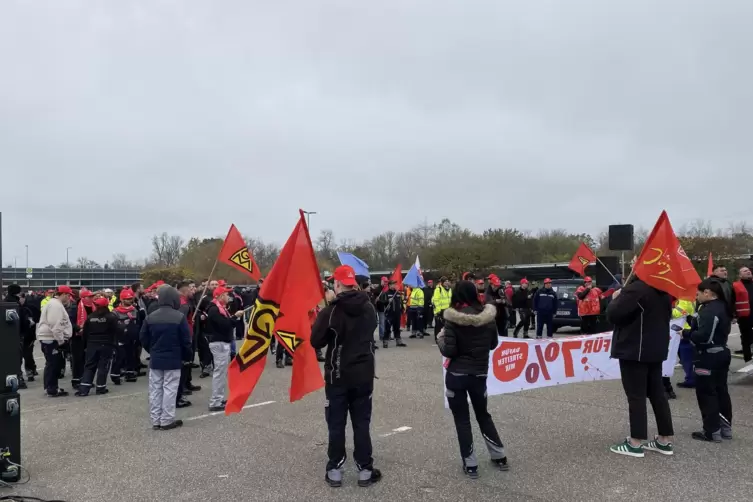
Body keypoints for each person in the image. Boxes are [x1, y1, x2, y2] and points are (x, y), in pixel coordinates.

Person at [310, 265, 381, 488]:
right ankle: (365, 469)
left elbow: (315, 341)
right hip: (363, 374)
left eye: (334, 283)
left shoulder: (331, 311)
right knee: (361, 422)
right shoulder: (368, 306)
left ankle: (335, 468)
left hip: (338, 376)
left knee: (336, 422)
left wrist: (328, 307)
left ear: (338, 285)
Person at [438, 280, 508, 478]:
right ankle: (499, 456)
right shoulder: (488, 318)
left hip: (457, 375)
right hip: (479, 374)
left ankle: (470, 465)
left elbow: (449, 350)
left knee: (462, 420)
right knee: (483, 415)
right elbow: (493, 343)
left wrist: (440, 339)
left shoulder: (452, 319)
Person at [607, 277, 674, 457]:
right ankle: (664, 439)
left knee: (636, 396)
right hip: (655, 350)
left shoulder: (635, 289)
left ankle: (635, 442)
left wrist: (615, 298)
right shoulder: (663, 290)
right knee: (658, 394)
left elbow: (613, 315)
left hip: (634, 349)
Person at [140, 285, 193, 431]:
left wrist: (152, 350)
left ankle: (155, 420)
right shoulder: (179, 317)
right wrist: (187, 356)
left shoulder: (150, 317)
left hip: (156, 358)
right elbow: (186, 340)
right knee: (170, 389)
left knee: (155, 389)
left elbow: (143, 337)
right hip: (174, 358)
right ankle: (167, 420)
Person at [687, 278, 733, 442]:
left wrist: (687, 334)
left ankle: (711, 431)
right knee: (721, 391)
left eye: (698, 293)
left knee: (707, 392)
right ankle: (725, 429)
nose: (697, 296)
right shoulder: (723, 307)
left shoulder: (709, 310)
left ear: (707, 293)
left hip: (708, 355)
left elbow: (704, 337)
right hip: (722, 353)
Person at [203, 285, 243, 412]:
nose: (229, 297)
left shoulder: (220, 309)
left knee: (221, 372)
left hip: (222, 342)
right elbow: (225, 325)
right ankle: (215, 401)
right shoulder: (214, 310)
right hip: (218, 343)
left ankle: (219, 398)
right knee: (219, 373)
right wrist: (235, 317)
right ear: (220, 296)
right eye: (226, 294)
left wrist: (234, 318)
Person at [36, 285, 75, 397]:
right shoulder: (55, 305)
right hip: (51, 338)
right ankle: (51, 389)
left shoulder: (54, 304)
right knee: (53, 364)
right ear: (62, 294)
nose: (68, 298)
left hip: (50, 337)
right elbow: (55, 325)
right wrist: (61, 341)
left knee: (51, 364)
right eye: (67, 295)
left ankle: (50, 387)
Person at [76, 297, 118, 396]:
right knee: (103, 366)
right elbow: (115, 332)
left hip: (92, 344)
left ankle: (84, 389)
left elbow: (85, 333)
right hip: (106, 344)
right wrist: (114, 345)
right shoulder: (111, 317)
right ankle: (101, 388)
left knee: (89, 366)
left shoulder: (90, 317)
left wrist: (86, 345)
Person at [111, 288, 140, 384]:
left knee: (131, 355)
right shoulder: (115, 312)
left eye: (131, 298)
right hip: (120, 337)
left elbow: (137, 322)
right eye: (127, 299)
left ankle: (130, 373)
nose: (130, 300)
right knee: (120, 356)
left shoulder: (134, 310)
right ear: (122, 300)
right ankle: (115, 375)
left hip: (131, 337)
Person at [673, 299, 696, 389]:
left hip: (684, 330)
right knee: (687, 358)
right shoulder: (691, 297)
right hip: (688, 329)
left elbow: (678, 313)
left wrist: (666, 310)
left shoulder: (684, 299)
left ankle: (691, 379)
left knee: (686, 358)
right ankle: (691, 378)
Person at [732, 267, 752, 361]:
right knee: (745, 337)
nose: (748, 271)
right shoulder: (736, 285)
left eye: (748, 270)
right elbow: (732, 301)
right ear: (740, 275)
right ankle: (747, 357)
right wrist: (734, 315)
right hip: (744, 316)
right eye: (745, 271)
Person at [378, 280, 405, 348]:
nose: (394, 285)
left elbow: (400, 302)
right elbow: (381, 302)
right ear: (389, 285)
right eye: (393, 284)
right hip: (389, 313)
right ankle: (385, 342)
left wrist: (402, 309)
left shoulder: (397, 293)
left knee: (397, 328)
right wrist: (387, 301)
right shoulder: (386, 293)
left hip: (397, 313)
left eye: (395, 284)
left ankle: (398, 341)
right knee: (387, 328)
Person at [432, 277, 452, 342]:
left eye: (447, 281)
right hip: (440, 310)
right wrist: (438, 311)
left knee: (446, 326)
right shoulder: (438, 290)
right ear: (442, 283)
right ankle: (437, 338)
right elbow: (436, 300)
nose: (447, 282)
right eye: (445, 281)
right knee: (438, 326)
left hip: (447, 310)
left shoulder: (449, 289)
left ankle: (445, 338)